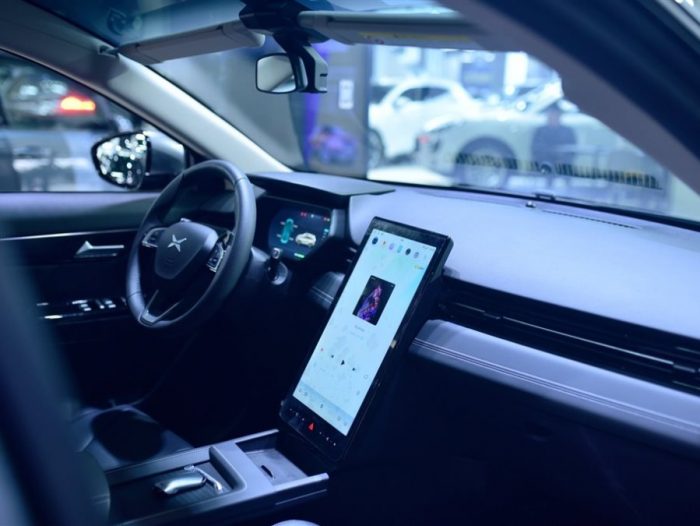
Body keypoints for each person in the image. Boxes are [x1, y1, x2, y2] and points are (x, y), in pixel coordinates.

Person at [530, 102, 577, 186]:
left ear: (559, 116)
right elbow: (536, 147)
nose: (553, 117)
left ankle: (568, 187)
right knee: (548, 165)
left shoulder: (567, 131)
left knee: (566, 166)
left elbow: (572, 148)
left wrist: (562, 158)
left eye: (555, 115)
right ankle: (548, 185)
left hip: (563, 160)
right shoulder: (540, 131)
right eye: (551, 115)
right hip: (545, 159)